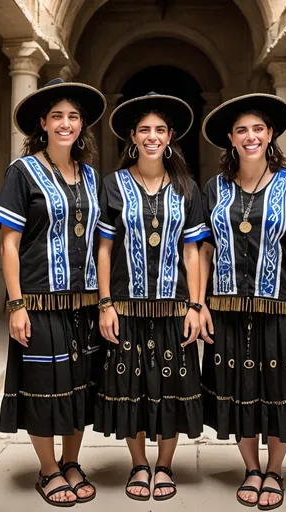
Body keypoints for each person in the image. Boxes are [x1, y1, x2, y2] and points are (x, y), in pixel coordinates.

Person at [199, 93, 286, 510]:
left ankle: (274, 470)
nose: (250, 136)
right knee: (238, 390)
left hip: (281, 307)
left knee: (279, 389)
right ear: (230, 140)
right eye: (242, 130)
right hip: (227, 310)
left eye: (258, 128)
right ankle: (251, 468)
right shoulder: (214, 188)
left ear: (270, 134)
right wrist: (199, 304)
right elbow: (202, 251)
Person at [0, 78, 106, 507]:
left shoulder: (91, 176)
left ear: (82, 125)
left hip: (85, 301)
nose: (65, 124)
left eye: (73, 117)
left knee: (79, 385)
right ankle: (48, 469)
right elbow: (9, 244)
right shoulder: (22, 173)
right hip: (39, 299)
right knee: (43, 386)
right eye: (57, 116)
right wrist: (16, 303)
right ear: (42, 123)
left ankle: (72, 462)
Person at [93, 93, 209, 502]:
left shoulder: (187, 187)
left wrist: (196, 304)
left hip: (175, 306)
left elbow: (193, 250)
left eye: (160, 129)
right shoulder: (113, 184)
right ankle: (139, 464)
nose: (152, 136)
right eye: (145, 130)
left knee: (172, 387)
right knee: (132, 387)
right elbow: (104, 249)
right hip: (126, 306)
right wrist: (105, 303)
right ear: (132, 136)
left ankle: (165, 465)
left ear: (171, 136)